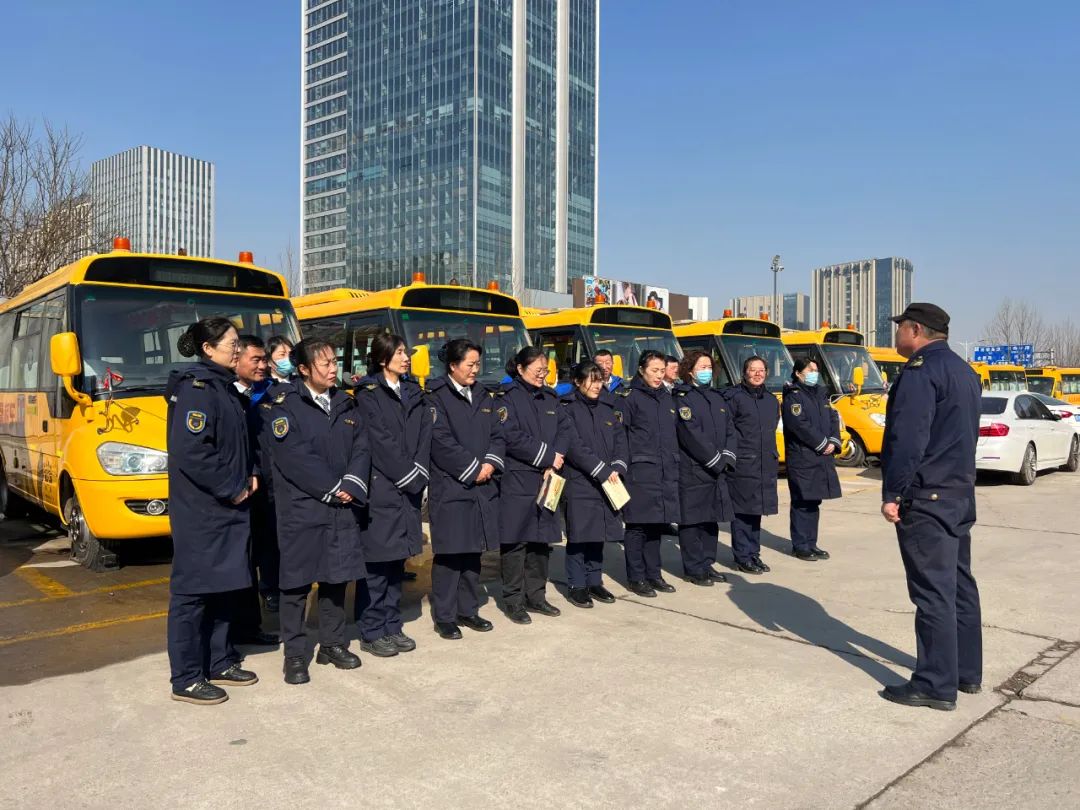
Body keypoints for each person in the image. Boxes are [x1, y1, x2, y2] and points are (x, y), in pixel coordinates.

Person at [879, 303, 982, 712]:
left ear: (916, 329)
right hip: (959, 494)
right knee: (959, 585)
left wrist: (893, 493)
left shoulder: (921, 372)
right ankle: (965, 672)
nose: (897, 334)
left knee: (932, 592)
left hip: (928, 498)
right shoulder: (963, 371)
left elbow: (908, 439)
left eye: (900, 327)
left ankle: (935, 684)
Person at [265, 338, 370, 685]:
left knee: (336, 579)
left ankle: (333, 644)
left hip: (341, 507)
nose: (331, 369)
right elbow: (293, 456)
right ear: (304, 369)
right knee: (295, 586)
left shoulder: (345, 403)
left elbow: (361, 448)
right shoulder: (284, 405)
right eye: (323, 364)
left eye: (333, 362)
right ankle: (295, 654)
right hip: (303, 509)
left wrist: (351, 486)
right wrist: (331, 489)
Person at [165, 318, 259, 705]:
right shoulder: (198, 389)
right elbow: (192, 453)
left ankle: (220, 659)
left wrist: (249, 475)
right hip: (204, 510)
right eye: (231, 343)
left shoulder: (223, 388)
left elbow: (240, 445)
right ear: (208, 348)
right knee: (193, 594)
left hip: (228, 508)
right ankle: (186, 676)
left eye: (238, 343)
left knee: (225, 587)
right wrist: (233, 487)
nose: (237, 349)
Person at [354, 334, 432, 657]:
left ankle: (391, 624)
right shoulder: (368, 394)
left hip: (409, 488)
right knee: (376, 565)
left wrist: (420, 474)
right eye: (400, 353)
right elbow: (379, 441)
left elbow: (424, 435)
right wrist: (408, 475)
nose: (406, 357)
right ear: (383, 359)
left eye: (406, 352)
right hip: (382, 487)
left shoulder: (414, 392)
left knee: (397, 562)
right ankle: (371, 630)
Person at [425, 339, 504, 639]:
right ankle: (445, 615)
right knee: (449, 554)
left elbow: (499, 434)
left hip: (482, 486)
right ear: (453, 366)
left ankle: (468, 610)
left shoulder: (484, 395)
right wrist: (473, 469)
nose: (475, 370)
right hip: (452, 485)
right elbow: (440, 441)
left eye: (477, 364)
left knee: (473, 552)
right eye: (470, 364)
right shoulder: (436, 397)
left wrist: (490, 465)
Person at [499, 346, 570, 623]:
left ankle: (536, 596)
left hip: (550, 476)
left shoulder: (550, 397)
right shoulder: (508, 398)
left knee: (541, 541)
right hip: (519, 476)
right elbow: (510, 435)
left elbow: (565, 430)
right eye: (537, 369)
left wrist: (554, 461)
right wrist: (546, 456)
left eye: (545, 370)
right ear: (520, 369)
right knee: (516, 541)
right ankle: (513, 600)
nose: (543, 374)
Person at [560, 361, 629, 607]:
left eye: (599, 379)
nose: (596, 385)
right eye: (590, 379)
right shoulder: (567, 408)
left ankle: (594, 580)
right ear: (578, 382)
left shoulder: (607, 407)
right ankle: (577, 584)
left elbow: (621, 439)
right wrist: (600, 469)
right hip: (580, 480)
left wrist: (619, 466)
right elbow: (573, 445)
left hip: (608, 481)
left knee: (598, 533)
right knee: (579, 535)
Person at [616, 350, 680, 597]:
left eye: (662, 371)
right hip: (639, 472)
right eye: (654, 370)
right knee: (637, 527)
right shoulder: (629, 397)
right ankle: (636, 577)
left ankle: (654, 574)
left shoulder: (666, 396)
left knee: (656, 527)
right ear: (641, 370)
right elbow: (619, 436)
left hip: (664, 472)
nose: (658, 375)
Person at [230, 335, 280, 644]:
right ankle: (237, 631)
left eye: (265, 360)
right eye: (256, 360)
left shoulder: (272, 394)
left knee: (267, 550)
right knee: (240, 563)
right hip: (238, 491)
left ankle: (252, 626)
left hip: (268, 489)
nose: (263, 365)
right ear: (237, 360)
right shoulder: (225, 396)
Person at [672, 351, 736, 586]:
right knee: (692, 521)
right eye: (702, 366)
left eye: (709, 366)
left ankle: (707, 563)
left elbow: (731, 428)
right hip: (695, 469)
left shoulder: (717, 398)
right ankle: (693, 568)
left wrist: (728, 456)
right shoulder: (683, 397)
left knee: (711, 520)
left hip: (717, 471)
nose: (707, 370)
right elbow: (690, 434)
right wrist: (715, 460)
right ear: (690, 370)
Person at [781, 359, 843, 561]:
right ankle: (800, 545)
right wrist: (822, 443)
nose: (814, 373)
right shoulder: (793, 396)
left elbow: (833, 417)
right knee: (802, 502)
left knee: (814, 501)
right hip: (804, 457)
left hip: (821, 458)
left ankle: (811, 543)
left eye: (816, 370)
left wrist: (833, 440)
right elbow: (799, 425)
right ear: (798, 373)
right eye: (810, 370)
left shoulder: (820, 393)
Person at [724, 356, 780, 574]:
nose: (757, 374)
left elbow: (772, 425)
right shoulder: (734, 398)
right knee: (742, 513)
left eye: (761, 370)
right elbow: (728, 429)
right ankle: (742, 556)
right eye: (752, 370)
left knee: (756, 512)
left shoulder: (771, 400)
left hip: (765, 464)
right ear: (744, 373)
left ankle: (753, 554)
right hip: (743, 464)